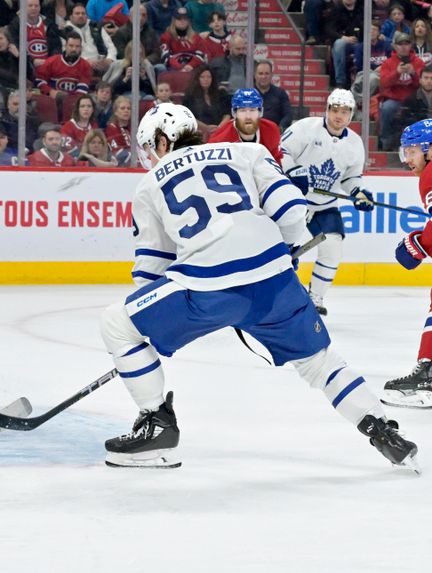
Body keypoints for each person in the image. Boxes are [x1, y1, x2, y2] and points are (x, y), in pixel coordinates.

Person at [97, 102, 419, 472]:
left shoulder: (149, 184)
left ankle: (157, 426)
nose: (151, 157)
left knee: (116, 323)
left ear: (161, 140)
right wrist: (288, 250)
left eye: (151, 148)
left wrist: (147, 336)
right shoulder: (248, 151)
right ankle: (383, 430)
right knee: (319, 362)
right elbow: (294, 213)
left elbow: (151, 272)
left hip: (205, 288)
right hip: (274, 279)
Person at [279, 89, 374, 316]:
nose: (338, 116)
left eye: (344, 112)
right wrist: (293, 172)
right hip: (295, 201)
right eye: (335, 110)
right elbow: (281, 151)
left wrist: (359, 193)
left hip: (325, 205)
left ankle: (316, 297)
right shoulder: (305, 128)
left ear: (351, 115)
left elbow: (350, 178)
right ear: (327, 109)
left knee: (332, 248)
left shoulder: (354, 143)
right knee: (281, 251)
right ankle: (276, 294)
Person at [381, 119, 432, 408]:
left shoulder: (430, 176)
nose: (407, 159)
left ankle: (427, 372)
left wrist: (416, 246)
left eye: (412, 151)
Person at [208, 88, 283, 166]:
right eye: (242, 110)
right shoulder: (218, 142)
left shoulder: (271, 130)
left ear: (260, 112)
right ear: (234, 113)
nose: (248, 116)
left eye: (252, 110)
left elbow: (277, 166)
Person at [254, 59, 293, 131]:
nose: (263, 77)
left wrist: (280, 128)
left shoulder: (281, 93)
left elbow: (288, 115)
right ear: (255, 75)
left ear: (271, 75)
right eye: (260, 73)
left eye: (266, 73)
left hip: (275, 134)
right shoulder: (248, 94)